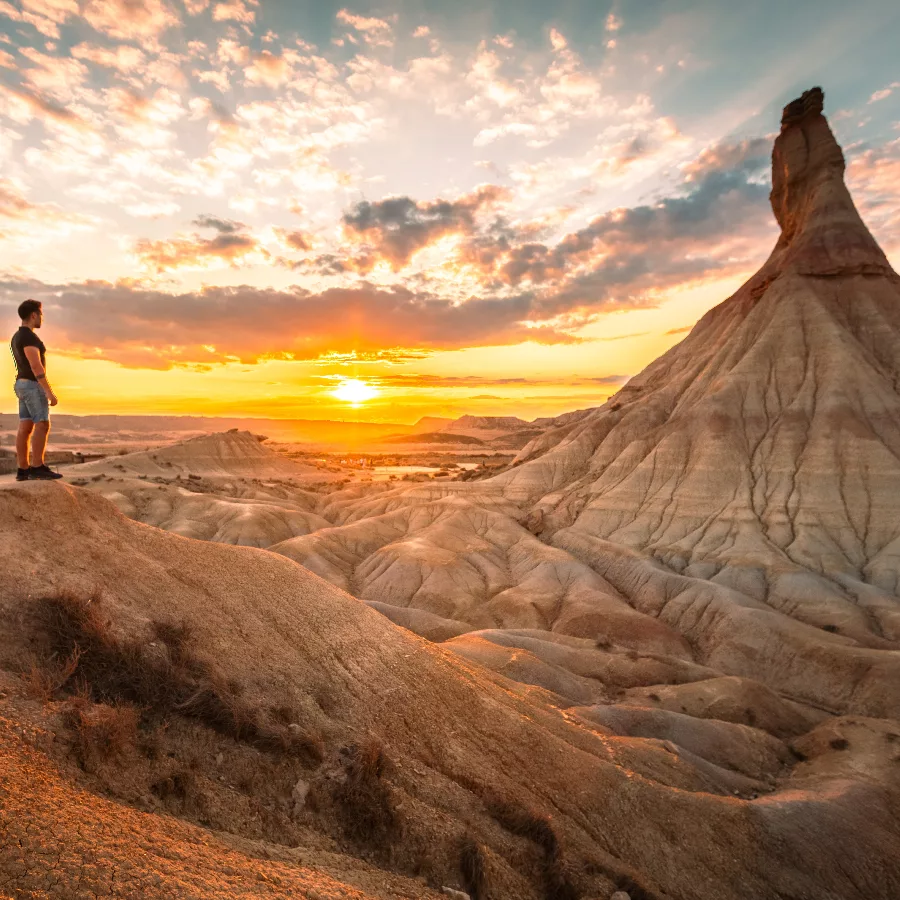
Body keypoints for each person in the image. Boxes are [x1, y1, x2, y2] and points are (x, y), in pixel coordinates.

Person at [10, 299, 63, 481]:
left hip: (21, 384)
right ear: (34, 315)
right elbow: (35, 365)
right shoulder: (29, 338)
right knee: (42, 424)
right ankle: (37, 466)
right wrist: (48, 391)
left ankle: (22, 470)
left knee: (25, 427)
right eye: (41, 314)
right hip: (32, 385)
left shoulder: (17, 336)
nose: (42, 318)